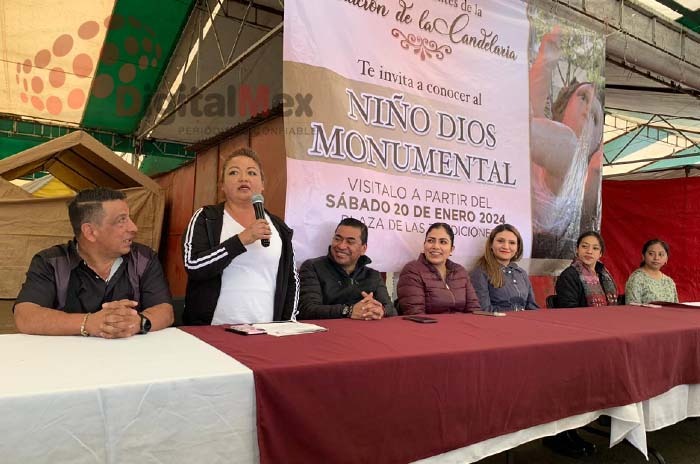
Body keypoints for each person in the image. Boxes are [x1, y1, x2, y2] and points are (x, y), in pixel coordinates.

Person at [13, 187, 173, 338]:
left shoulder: (144, 258)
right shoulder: (51, 262)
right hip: (66, 360)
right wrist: (89, 323)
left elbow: (165, 310)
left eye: (129, 218)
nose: (133, 227)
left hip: (130, 359)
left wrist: (139, 322)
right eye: (121, 220)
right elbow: (25, 315)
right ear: (90, 232)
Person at [182, 147, 298, 325]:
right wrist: (241, 240)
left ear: (262, 185)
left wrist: (288, 322)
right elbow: (194, 265)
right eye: (234, 172)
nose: (244, 178)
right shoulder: (207, 218)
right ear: (222, 186)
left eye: (251, 173)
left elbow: (292, 280)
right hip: (212, 329)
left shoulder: (279, 227)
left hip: (265, 329)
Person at [530, 27, 604, 258]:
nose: (586, 112)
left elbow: (521, 127)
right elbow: (533, 106)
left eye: (595, 117)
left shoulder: (573, 157)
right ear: (562, 106)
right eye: (582, 98)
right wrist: (547, 54)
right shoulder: (548, 138)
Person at [298, 217, 395, 320]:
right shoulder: (313, 267)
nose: (341, 246)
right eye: (337, 239)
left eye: (350, 242)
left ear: (363, 249)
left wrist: (380, 311)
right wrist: (348, 311)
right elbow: (307, 309)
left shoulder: (372, 275)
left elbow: (391, 310)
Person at [397, 223, 480, 314]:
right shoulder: (412, 270)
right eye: (431, 241)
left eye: (443, 242)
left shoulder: (460, 272)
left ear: (451, 249)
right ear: (424, 245)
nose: (436, 246)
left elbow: (474, 311)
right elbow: (416, 315)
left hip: (463, 327)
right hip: (427, 327)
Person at [469, 224, 539, 312]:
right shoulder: (480, 273)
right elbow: (484, 310)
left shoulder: (522, 273)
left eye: (512, 243)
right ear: (491, 244)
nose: (506, 246)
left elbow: (532, 307)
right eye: (500, 241)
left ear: (517, 248)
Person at [554, 231, 618, 308]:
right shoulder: (568, 276)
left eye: (595, 248)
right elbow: (569, 309)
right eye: (584, 246)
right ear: (577, 249)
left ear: (600, 254)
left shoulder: (603, 274)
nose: (589, 251)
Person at [625, 239, 678, 304]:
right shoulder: (637, 278)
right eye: (651, 254)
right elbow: (631, 308)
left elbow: (676, 308)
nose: (656, 258)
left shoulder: (669, 282)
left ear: (666, 259)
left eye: (661, 254)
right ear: (643, 256)